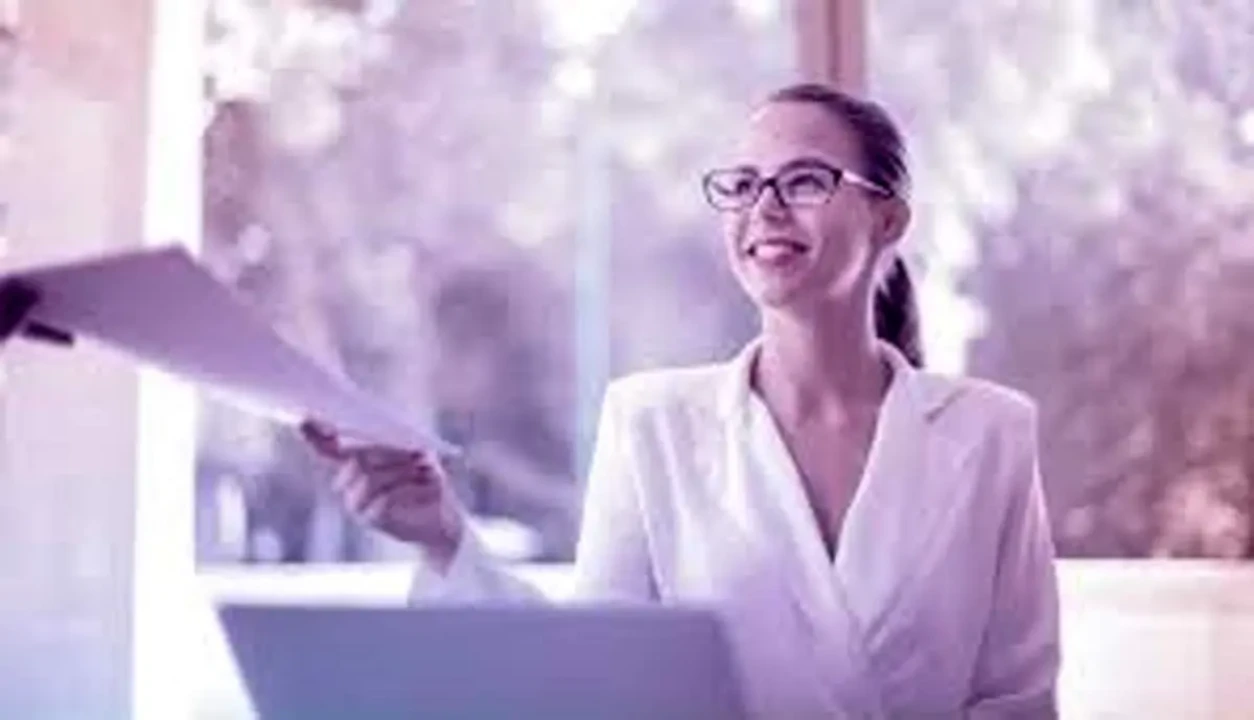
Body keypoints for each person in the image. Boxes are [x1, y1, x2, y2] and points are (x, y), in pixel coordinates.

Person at [316, 83, 1060, 717]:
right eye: (743, 185)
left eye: (805, 181)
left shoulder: (991, 432)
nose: (765, 207)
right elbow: (595, 683)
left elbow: (1018, 702)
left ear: (887, 218)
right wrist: (446, 538)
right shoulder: (651, 426)